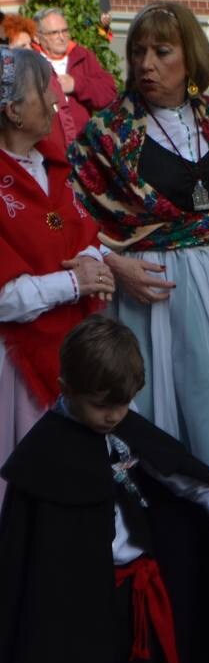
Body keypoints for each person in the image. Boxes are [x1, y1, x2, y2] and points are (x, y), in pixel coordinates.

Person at [0, 315, 209, 663]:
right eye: (101, 406)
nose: (113, 415)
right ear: (66, 389)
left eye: (124, 403)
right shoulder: (42, 457)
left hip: (138, 600)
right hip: (74, 612)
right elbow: (22, 559)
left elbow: (182, 476)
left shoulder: (126, 428)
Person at [67, 1, 209, 492]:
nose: (146, 63)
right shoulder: (108, 132)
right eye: (138, 51)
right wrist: (114, 264)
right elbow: (74, 213)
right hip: (152, 287)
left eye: (161, 51)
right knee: (170, 399)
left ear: (189, 58)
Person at [0, 47, 112, 503]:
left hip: (73, 346)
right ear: (12, 110)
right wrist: (75, 282)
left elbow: (80, 230)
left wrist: (90, 257)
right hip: (17, 364)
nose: (54, 102)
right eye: (42, 93)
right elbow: (5, 297)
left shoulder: (50, 161)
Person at [33, 7, 119, 149]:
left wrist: (76, 85)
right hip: (45, 151)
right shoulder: (30, 60)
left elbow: (109, 95)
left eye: (65, 31)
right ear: (37, 37)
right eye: (54, 33)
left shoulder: (81, 56)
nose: (62, 37)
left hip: (82, 148)